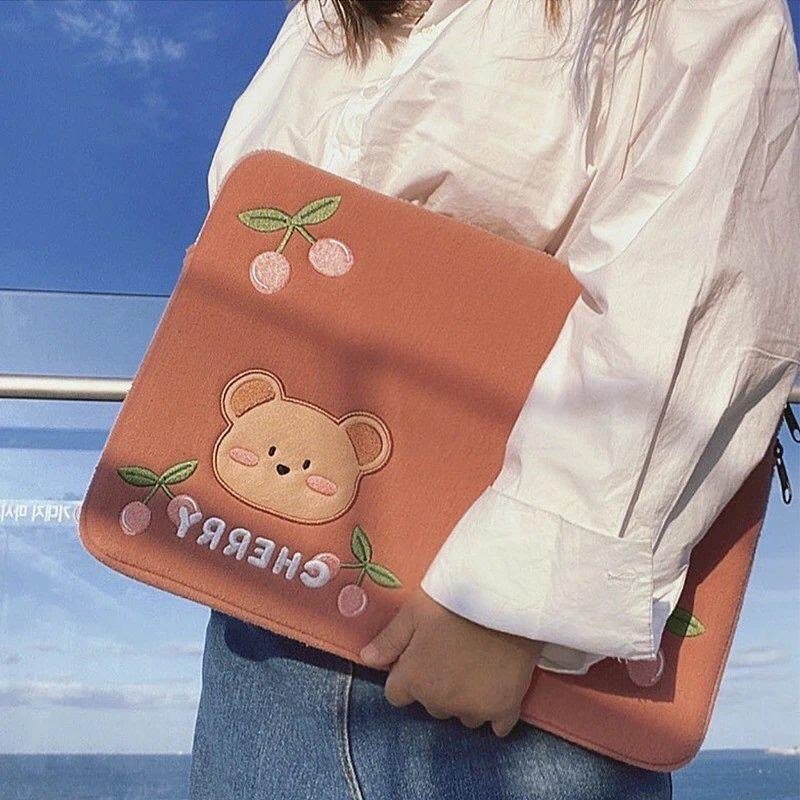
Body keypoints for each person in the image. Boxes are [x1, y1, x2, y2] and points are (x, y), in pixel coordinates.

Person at [189, 1, 800, 798]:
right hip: (263, 622)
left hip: (516, 667)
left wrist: (511, 599)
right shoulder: (326, 14)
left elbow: (701, 269)